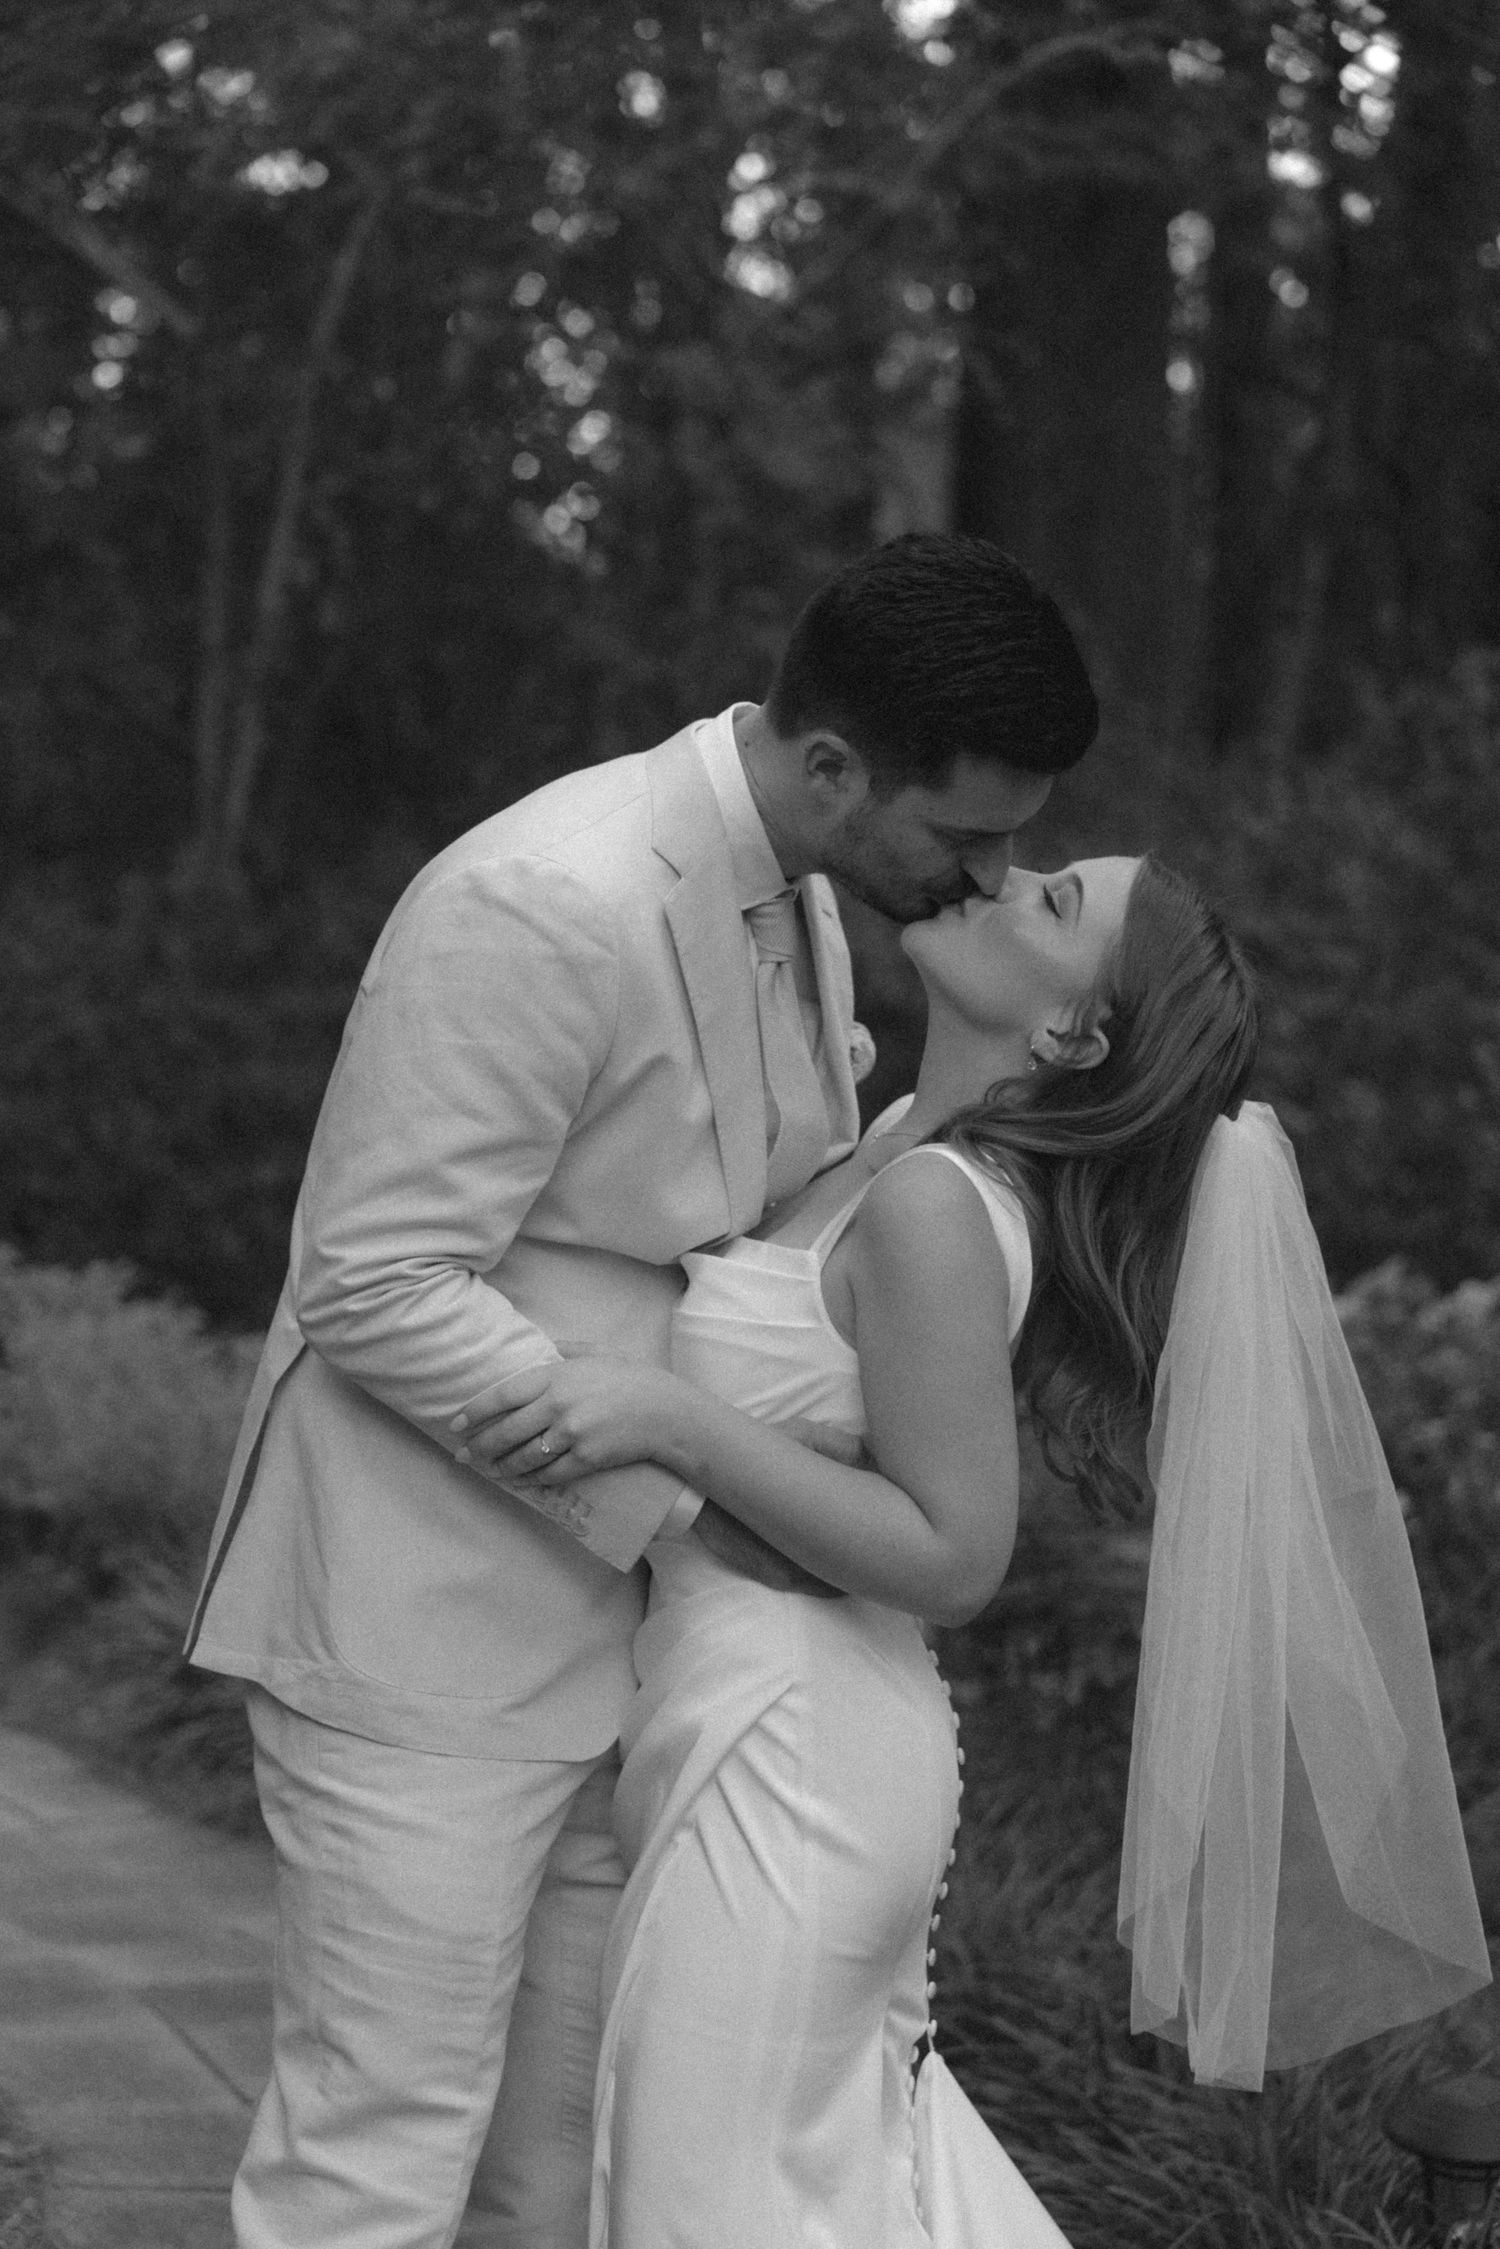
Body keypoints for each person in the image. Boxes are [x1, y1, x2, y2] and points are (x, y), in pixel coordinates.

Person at [182, 532, 1099, 2249]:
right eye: (966, 834)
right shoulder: (544, 895)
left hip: (650, 1660)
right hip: (420, 1628)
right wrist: (686, 1492)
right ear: (834, 767)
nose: (989, 874)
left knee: (559, 2179)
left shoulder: (811, 903)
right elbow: (371, 1275)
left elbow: (742, 1234)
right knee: (375, 2162)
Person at [468, 854, 1492, 2247]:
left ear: (1072, 1034)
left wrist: (673, 1420)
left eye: (1056, 901)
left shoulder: (937, 1204)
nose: (1006, 876)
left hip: (799, 1753)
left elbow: (956, 1554)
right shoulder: (893, 1141)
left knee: (702, 2205)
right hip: (736, 1710)